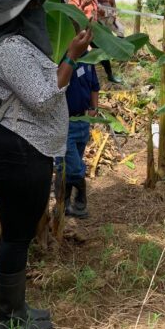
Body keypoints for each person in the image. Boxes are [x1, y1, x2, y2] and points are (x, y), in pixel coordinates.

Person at [0, 0, 92, 329]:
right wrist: (71, 58)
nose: (40, 14)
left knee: (21, 232)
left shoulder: (21, 46)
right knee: (16, 234)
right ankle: (9, 317)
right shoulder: (12, 48)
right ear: (20, 14)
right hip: (17, 148)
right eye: (34, 9)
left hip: (28, 147)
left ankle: (17, 309)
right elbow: (43, 97)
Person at [55, 40, 100, 219]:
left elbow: (95, 86)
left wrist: (94, 108)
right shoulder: (61, 59)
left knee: (67, 165)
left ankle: (63, 203)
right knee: (73, 167)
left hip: (83, 120)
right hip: (64, 122)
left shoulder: (89, 59)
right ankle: (81, 198)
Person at [94, 0, 124, 84]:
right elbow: (91, 3)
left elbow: (114, 5)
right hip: (100, 18)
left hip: (110, 16)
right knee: (103, 41)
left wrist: (114, 14)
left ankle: (118, 54)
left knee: (121, 30)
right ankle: (103, 60)